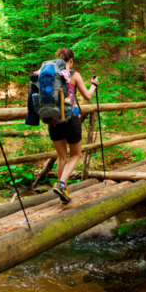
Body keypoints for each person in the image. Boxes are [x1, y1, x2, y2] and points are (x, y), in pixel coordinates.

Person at [47, 48, 100, 203]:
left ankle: (63, 192)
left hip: (53, 120)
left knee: (62, 157)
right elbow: (88, 96)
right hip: (70, 119)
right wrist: (94, 84)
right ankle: (62, 184)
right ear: (71, 60)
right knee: (75, 154)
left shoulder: (50, 74)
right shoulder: (74, 75)